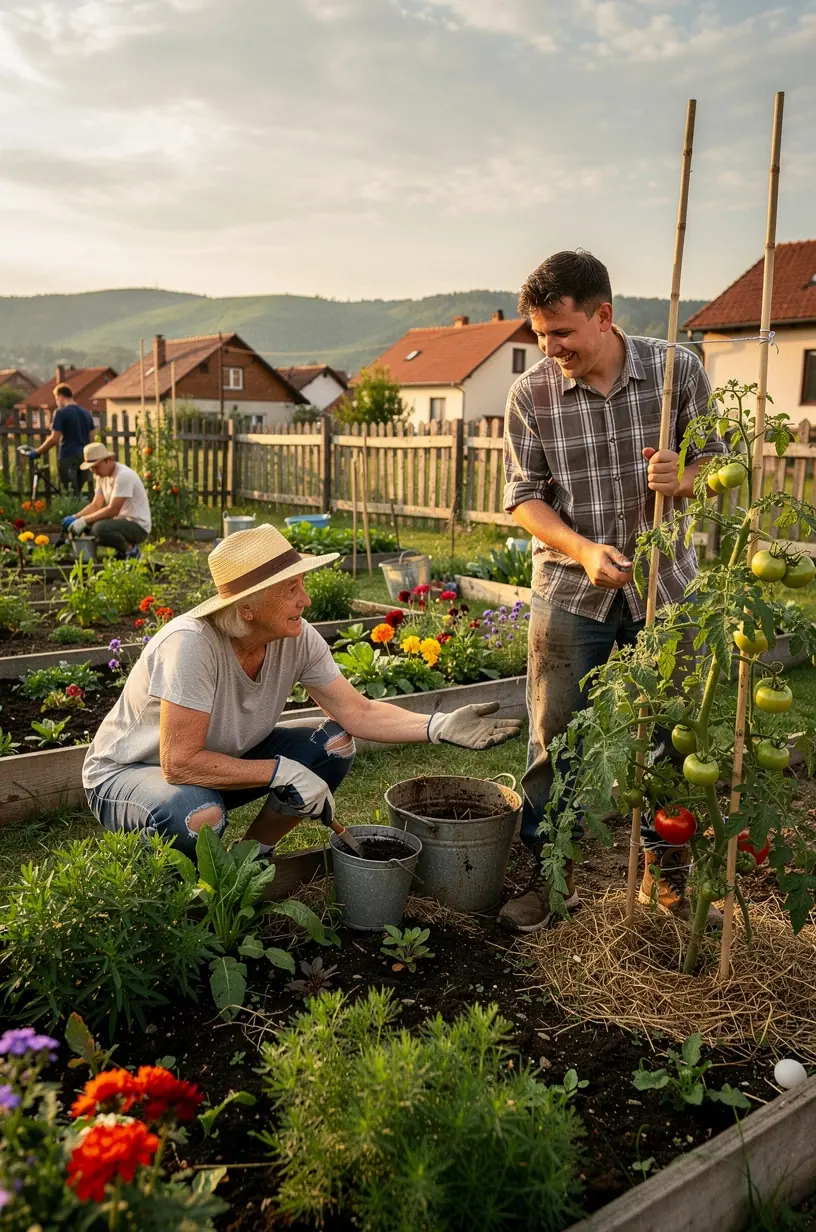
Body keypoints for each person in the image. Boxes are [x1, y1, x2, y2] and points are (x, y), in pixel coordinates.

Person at [499, 249, 727, 933]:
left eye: (562, 332)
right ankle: (549, 878)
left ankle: (671, 882)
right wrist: (583, 549)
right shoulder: (531, 394)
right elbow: (523, 499)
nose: (551, 348)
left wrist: (683, 479)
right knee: (556, 739)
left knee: (672, 739)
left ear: (603, 316)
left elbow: (723, 462)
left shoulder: (675, 371)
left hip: (668, 586)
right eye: (541, 334)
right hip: (571, 591)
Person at [82, 523, 521, 858]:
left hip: (216, 762)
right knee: (199, 814)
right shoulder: (193, 645)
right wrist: (280, 771)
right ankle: (192, 894)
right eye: (291, 588)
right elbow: (178, 762)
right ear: (247, 607)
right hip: (129, 774)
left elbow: (358, 714)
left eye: (302, 585)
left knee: (333, 744)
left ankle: (250, 858)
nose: (305, 599)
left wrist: (438, 725)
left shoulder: (298, 637)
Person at [64, 442, 151, 559]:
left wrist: (84, 520)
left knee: (100, 529)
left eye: (96, 467)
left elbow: (113, 510)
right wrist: (76, 517)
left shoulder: (123, 476)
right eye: (91, 468)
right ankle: (121, 551)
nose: (94, 471)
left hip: (138, 526)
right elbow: (96, 504)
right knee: (90, 527)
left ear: (109, 460)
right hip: (121, 522)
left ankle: (132, 552)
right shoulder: (101, 476)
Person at [26, 383, 95, 495]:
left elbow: (54, 438)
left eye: (56, 399)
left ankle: (71, 512)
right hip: (85, 458)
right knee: (78, 492)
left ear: (61, 397)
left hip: (69, 457)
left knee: (68, 493)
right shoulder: (86, 413)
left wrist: (37, 452)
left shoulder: (61, 413)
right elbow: (92, 439)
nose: (57, 403)